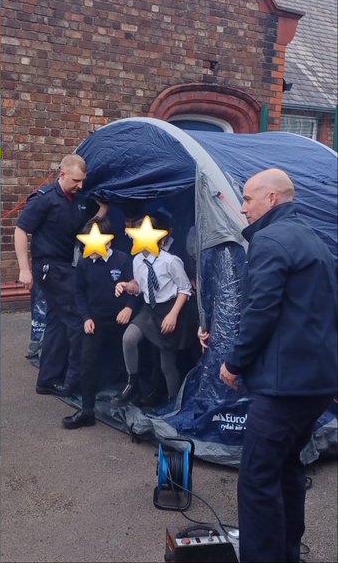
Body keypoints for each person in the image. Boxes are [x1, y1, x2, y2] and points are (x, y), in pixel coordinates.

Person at [213, 168, 337, 563]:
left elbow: (260, 311)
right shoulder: (314, 239)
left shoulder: (270, 240)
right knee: (287, 470)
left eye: (248, 199)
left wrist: (233, 363)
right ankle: (285, 553)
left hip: (284, 388)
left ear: (272, 199)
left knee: (257, 478)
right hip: (314, 385)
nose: (243, 207)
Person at [14, 154, 106, 397]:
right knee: (77, 320)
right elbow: (21, 230)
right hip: (49, 267)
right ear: (62, 174)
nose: (81, 185)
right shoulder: (44, 199)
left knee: (57, 321)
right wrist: (24, 269)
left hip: (67, 266)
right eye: (76, 180)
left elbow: (92, 222)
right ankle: (74, 382)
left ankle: (48, 379)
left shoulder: (80, 200)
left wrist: (105, 208)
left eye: (83, 181)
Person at [62, 217, 135, 428]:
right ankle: (87, 410)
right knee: (87, 361)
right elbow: (79, 292)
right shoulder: (84, 263)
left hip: (120, 318)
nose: (89, 249)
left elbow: (134, 286)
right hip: (95, 319)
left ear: (108, 243)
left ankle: (134, 395)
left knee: (128, 356)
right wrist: (86, 317)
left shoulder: (122, 259)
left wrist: (129, 307)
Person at [114, 222, 192, 407]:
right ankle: (131, 382)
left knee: (167, 363)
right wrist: (126, 285)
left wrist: (173, 315)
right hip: (150, 309)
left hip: (170, 308)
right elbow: (139, 287)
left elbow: (185, 289)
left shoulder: (170, 261)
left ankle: (174, 401)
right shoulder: (137, 260)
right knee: (129, 338)